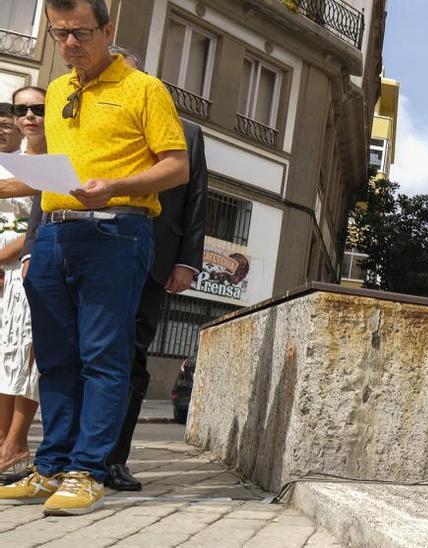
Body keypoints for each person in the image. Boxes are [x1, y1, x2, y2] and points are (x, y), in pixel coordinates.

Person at [0, 0, 188, 516]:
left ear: (108, 29)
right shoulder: (58, 91)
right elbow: (47, 173)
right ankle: (53, 466)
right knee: (56, 360)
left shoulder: (145, 90)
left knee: (103, 356)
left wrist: (116, 188)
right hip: (56, 236)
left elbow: (176, 167)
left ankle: (89, 471)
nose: (68, 45)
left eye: (80, 33)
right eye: (59, 35)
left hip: (116, 233)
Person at [0, 87, 46, 476]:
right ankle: (3, 446)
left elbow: (40, 213)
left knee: (27, 355)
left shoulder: (54, 160)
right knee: (3, 356)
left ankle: (18, 441)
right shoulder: (7, 162)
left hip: (29, 266)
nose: (29, 115)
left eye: (38, 108)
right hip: (2, 275)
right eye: (21, 109)